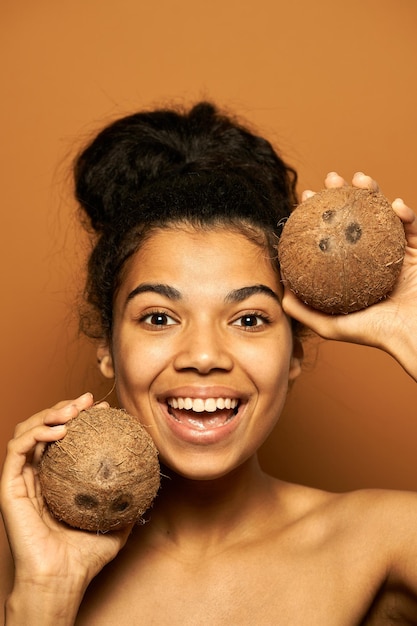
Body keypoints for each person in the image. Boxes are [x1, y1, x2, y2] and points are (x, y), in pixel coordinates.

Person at [0, 101, 416, 626]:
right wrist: (45, 593)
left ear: (294, 351)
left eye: (247, 320)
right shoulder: (45, 579)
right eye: (158, 318)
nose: (202, 357)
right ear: (107, 346)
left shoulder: (386, 545)